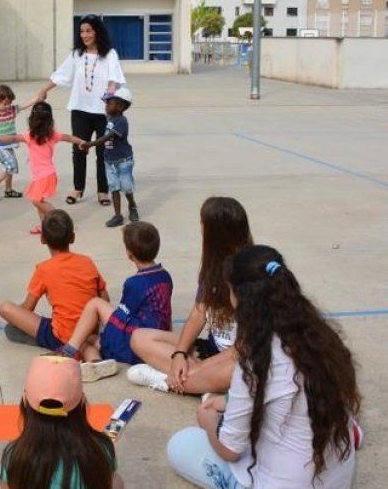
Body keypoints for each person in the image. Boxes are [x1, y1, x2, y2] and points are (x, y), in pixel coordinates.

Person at [167, 246, 361, 489]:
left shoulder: (256, 358)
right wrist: (227, 401)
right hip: (337, 479)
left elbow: (230, 450)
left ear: (241, 298)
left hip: (281, 482)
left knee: (181, 444)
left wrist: (208, 421)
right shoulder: (321, 337)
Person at [127, 197, 252, 396]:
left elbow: (245, 346)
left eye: (203, 224)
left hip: (239, 357)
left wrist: (202, 367)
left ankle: (171, 380)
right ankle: (196, 382)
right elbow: (198, 312)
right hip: (211, 351)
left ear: (215, 232)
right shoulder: (212, 266)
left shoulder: (249, 272)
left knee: (235, 374)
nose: (200, 229)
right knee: (138, 337)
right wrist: (179, 354)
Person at [58, 221, 173, 383]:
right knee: (91, 335)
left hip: (137, 343)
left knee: (93, 313)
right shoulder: (165, 276)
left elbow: (123, 316)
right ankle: (97, 362)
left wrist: (104, 335)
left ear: (129, 254)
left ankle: (72, 351)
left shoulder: (134, 283)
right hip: (159, 337)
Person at [35, 15, 126, 208]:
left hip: (103, 113)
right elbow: (61, 74)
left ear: (97, 32)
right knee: (79, 149)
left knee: (103, 152)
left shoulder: (110, 54)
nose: (84, 35)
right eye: (82, 31)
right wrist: (44, 89)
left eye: (88, 31)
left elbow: (114, 79)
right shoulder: (77, 55)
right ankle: (78, 188)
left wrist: (108, 98)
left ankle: (103, 190)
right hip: (80, 110)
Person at [0, 355, 124, 489]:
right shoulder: (102, 448)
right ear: (81, 402)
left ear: (24, 400)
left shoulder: (15, 455)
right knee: (117, 481)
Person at [0, 209, 108, 352]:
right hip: (89, 330)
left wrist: (18, 315)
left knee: (7, 314)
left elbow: (28, 308)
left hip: (62, 335)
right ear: (72, 238)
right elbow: (104, 299)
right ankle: (87, 344)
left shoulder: (44, 269)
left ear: (42, 239)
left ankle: (63, 345)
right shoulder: (87, 262)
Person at [0, 101, 85, 235]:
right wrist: (81, 141)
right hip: (44, 175)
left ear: (32, 119)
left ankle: (61, 222)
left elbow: (12, 138)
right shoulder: (49, 134)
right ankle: (43, 226)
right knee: (39, 201)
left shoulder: (31, 136)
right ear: (49, 120)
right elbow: (68, 137)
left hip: (44, 176)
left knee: (36, 201)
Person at [80, 86, 137, 227]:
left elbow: (107, 137)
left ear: (121, 106)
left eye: (109, 103)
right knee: (114, 188)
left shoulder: (122, 121)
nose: (106, 106)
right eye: (106, 103)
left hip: (123, 161)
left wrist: (90, 144)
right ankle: (118, 215)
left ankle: (132, 206)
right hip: (109, 161)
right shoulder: (110, 118)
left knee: (127, 188)